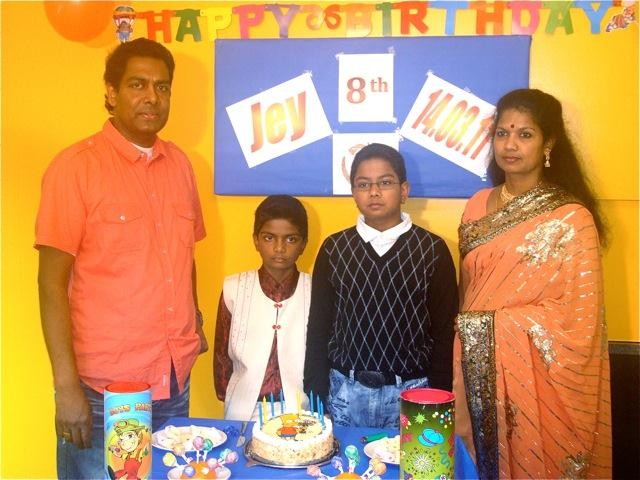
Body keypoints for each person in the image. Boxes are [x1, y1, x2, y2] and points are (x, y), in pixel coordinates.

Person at [35, 38, 207, 479]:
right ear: (111, 93)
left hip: (172, 378)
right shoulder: (75, 168)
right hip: (103, 392)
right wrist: (65, 387)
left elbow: (184, 256)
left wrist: (194, 322)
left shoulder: (180, 166)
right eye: (137, 84)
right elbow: (50, 283)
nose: (152, 97)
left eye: (162, 87)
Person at [454, 88, 612, 479]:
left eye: (525, 134)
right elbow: (467, 291)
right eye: (502, 133)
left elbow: (580, 324)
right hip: (471, 369)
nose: (510, 145)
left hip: (537, 383)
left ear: (548, 144)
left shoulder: (571, 219)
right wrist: (472, 336)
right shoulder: (476, 205)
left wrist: (488, 327)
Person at [304, 143, 458, 428]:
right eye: (363, 184)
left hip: (412, 394)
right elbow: (318, 327)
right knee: (342, 459)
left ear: (404, 190)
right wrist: (315, 391)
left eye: (385, 182)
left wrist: (438, 396)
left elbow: (445, 332)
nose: (374, 192)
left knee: (411, 460)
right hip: (344, 393)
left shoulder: (432, 250)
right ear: (353, 192)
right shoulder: (334, 249)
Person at [214, 195, 310, 421]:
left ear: (303, 244)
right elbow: (221, 357)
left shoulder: (315, 291)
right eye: (269, 238)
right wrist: (226, 394)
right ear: (256, 240)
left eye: (291, 239)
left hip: (302, 411)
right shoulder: (234, 288)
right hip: (243, 412)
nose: (279, 248)